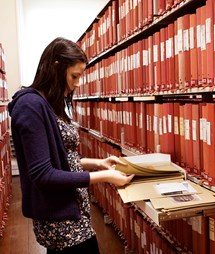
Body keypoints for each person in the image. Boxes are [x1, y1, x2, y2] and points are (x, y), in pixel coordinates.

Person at [8, 37, 134, 253]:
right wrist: (105, 177)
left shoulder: (46, 103)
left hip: (71, 212)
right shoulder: (30, 106)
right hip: (60, 220)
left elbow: (62, 157)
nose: (77, 83)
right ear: (56, 67)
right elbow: (44, 174)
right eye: (74, 76)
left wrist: (98, 163)